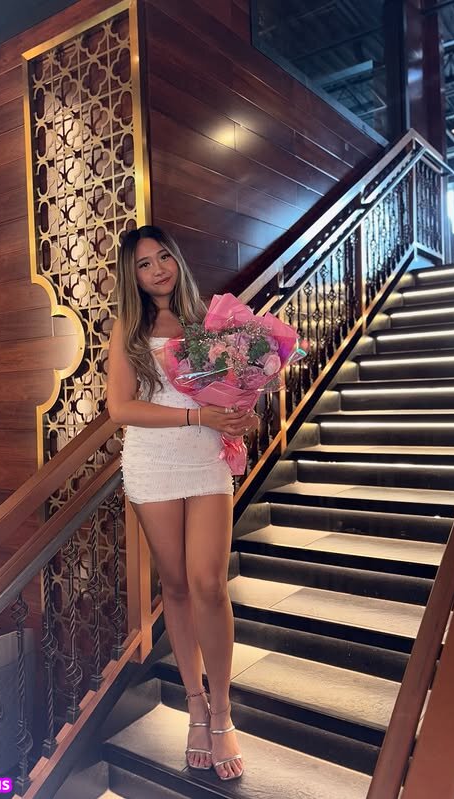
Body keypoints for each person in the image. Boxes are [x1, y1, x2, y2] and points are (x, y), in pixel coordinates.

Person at [106, 225, 258, 781]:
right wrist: (197, 414)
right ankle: (195, 705)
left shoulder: (211, 321)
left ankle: (222, 711)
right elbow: (120, 408)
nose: (158, 270)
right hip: (154, 463)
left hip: (206, 461)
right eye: (144, 264)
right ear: (134, 277)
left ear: (178, 261)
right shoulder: (128, 329)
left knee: (209, 584)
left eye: (164, 257)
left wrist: (241, 416)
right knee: (174, 585)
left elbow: (238, 394)